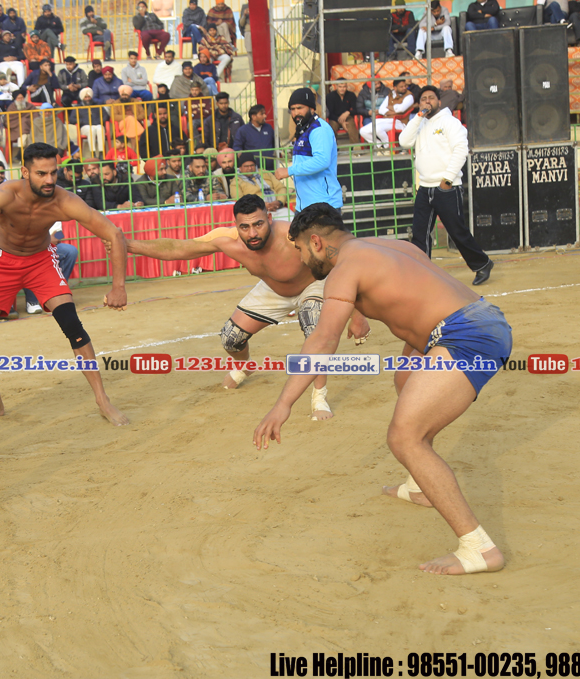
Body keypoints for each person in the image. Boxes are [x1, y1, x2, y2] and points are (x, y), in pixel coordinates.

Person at [254, 203, 511, 575]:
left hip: (467, 337)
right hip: (480, 319)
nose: (301, 261)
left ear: (316, 242)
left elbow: (323, 340)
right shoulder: (388, 246)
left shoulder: (345, 269)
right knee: (405, 380)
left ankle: (479, 548)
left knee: (404, 437)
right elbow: (420, 294)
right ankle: (420, 485)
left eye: (300, 250)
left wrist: (283, 404)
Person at [131, 193, 369, 410]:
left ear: (269, 218)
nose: (252, 233)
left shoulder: (292, 235)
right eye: (244, 227)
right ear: (236, 225)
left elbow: (342, 260)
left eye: (258, 224)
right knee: (230, 339)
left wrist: (357, 313)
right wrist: (130, 245)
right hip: (273, 288)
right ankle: (245, 365)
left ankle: (319, 395)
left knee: (313, 326)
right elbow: (179, 248)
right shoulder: (226, 240)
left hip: (313, 283)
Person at [0, 142, 130, 426]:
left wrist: (119, 287)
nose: (49, 179)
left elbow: (114, 234)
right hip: (4, 262)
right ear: (25, 172)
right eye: (41, 173)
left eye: (53, 172)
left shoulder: (64, 200)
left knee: (71, 323)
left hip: (40, 261)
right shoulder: (4, 194)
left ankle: (102, 400)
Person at [399, 86, 494, 285]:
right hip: (425, 187)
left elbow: (461, 150)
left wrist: (447, 180)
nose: (427, 101)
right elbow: (404, 142)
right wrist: (418, 116)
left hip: (447, 187)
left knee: (457, 231)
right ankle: (421, 273)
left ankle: (482, 264)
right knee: (420, 234)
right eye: (423, 99)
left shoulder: (450, 122)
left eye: (431, 98)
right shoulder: (419, 123)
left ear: (439, 102)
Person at [274, 87, 344, 210]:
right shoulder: (303, 128)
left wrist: (289, 171)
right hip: (305, 206)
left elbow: (322, 160)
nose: (296, 113)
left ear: (312, 108)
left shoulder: (319, 129)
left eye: (300, 108)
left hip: (323, 205)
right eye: (292, 109)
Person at [361, 75, 414, 146]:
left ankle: (388, 147)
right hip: (386, 120)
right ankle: (379, 146)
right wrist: (392, 111)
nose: (404, 88)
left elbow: (401, 109)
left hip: (399, 122)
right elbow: (381, 109)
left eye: (405, 86)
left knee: (378, 129)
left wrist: (391, 107)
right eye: (401, 87)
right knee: (363, 131)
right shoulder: (390, 95)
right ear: (395, 88)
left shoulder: (409, 96)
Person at [231, 104, 275, 171]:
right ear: (253, 117)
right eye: (262, 114)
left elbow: (275, 143)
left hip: (271, 169)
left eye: (264, 113)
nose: (265, 116)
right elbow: (237, 147)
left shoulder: (268, 128)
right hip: (253, 171)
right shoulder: (243, 130)